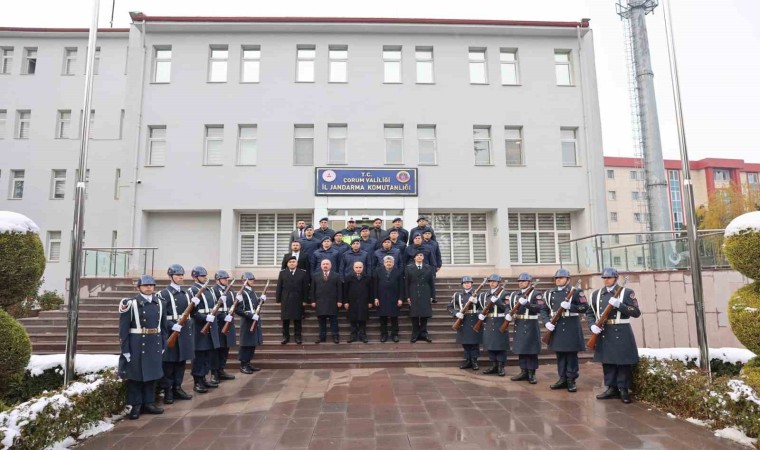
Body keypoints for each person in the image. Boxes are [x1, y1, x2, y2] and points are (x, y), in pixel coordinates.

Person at [586, 268, 641, 404]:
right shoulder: (596, 294)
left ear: (616, 279)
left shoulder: (626, 292)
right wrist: (592, 325)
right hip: (605, 331)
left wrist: (619, 305)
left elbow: (636, 312)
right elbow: (590, 313)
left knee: (623, 361)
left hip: (621, 330)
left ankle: (623, 389)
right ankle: (611, 388)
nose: (606, 280)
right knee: (608, 361)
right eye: (604, 278)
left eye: (609, 278)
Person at [119, 274, 167, 420]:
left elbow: (163, 326)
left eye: (151, 285)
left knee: (152, 374)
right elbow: (123, 329)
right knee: (136, 376)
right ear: (139, 287)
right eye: (145, 285)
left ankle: (149, 402)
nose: (148, 288)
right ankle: (136, 405)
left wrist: (163, 343)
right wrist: (125, 349)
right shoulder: (130, 303)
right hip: (137, 343)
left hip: (154, 342)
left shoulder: (160, 303)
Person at [540, 269, 588, 393]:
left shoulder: (576, 292)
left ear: (568, 279)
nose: (558, 280)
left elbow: (584, 307)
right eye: (557, 278)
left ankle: (571, 379)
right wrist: (547, 322)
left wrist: (571, 307)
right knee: (560, 354)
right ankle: (562, 378)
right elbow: (543, 310)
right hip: (557, 326)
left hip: (571, 326)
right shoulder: (549, 293)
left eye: (561, 278)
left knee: (571, 355)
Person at [157, 264, 193, 404]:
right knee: (169, 363)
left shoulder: (186, 293)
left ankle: (177, 387)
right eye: (177, 275)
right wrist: (172, 325)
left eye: (182, 275)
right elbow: (160, 316)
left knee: (180, 361)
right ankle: (168, 390)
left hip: (183, 331)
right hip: (170, 332)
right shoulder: (163, 294)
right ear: (170, 276)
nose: (180, 277)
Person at [507, 272, 544, 384]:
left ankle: (531, 373)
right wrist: (508, 314)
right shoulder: (515, 295)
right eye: (519, 281)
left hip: (531, 324)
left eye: (523, 281)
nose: (521, 283)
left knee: (531, 349)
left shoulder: (536, 294)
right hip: (519, 323)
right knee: (521, 348)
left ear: (529, 282)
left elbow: (540, 307)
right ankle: (523, 371)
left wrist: (527, 304)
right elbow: (509, 307)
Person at [188, 266, 220, 392]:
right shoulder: (192, 291)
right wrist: (205, 317)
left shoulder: (209, 290)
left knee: (208, 354)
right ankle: (197, 381)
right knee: (199, 355)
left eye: (205, 276)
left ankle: (204, 378)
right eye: (202, 276)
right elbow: (192, 312)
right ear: (195, 277)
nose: (204, 278)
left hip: (210, 325)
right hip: (199, 326)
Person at [447, 276, 483, 371]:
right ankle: (468, 360)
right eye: (465, 283)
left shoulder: (478, 294)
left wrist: (477, 302)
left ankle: (474, 361)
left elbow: (484, 306)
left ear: (471, 284)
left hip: (474, 319)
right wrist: (456, 313)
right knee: (465, 342)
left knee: (474, 342)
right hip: (463, 320)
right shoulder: (457, 295)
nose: (467, 284)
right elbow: (450, 307)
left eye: (468, 282)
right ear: (462, 284)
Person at [478, 274, 509, 376]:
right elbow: (480, 307)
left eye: (494, 281)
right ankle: (494, 365)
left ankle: (500, 366)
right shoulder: (484, 295)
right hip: (488, 322)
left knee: (500, 345)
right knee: (490, 344)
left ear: (498, 283)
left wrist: (498, 301)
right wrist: (480, 314)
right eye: (490, 281)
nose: (492, 283)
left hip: (500, 321)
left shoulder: (505, 294)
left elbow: (507, 308)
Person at [235, 272, 264, 374]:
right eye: (250, 279)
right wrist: (250, 315)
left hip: (254, 319)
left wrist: (261, 300)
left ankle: (248, 363)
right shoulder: (241, 293)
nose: (252, 281)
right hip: (247, 320)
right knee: (246, 343)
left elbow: (254, 305)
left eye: (253, 279)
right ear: (245, 281)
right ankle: (243, 364)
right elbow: (237, 310)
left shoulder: (252, 291)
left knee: (252, 343)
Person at [276, 256, 309, 345]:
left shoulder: (302, 273)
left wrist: (305, 300)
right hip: (286, 299)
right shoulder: (282, 273)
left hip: (298, 299)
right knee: (285, 319)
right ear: (287, 264)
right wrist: (278, 300)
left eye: (293, 262)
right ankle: (285, 337)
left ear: (297, 263)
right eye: (290, 262)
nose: (292, 263)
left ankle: (298, 337)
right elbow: (279, 287)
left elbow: (305, 288)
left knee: (297, 319)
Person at [210, 270, 237, 381]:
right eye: (224, 278)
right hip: (218, 323)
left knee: (226, 347)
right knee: (217, 349)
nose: (226, 280)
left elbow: (234, 305)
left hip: (228, 322)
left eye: (227, 278)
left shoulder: (230, 290)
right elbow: (213, 308)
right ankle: (214, 372)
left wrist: (238, 300)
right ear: (218, 280)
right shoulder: (213, 290)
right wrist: (222, 316)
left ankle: (221, 369)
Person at [311, 259, 343, 344]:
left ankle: (335, 336)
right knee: (321, 321)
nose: (325, 265)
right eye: (324, 264)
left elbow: (339, 289)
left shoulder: (336, 275)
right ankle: (322, 337)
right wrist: (313, 301)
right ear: (321, 266)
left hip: (333, 302)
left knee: (334, 321)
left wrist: (340, 300)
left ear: (330, 265)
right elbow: (312, 289)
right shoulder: (315, 275)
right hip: (320, 302)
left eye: (327, 264)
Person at [405, 250, 435, 343]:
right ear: (414, 258)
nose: (419, 257)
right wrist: (407, 296)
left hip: (425, 292)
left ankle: (424, 333)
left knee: (424, 314)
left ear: (423, 257)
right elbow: (406, 283)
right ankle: (415, 334)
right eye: (417, 255)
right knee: (414, 315)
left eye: (421, 255)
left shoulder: (428, 267)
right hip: (413, 292)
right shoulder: (409, 268)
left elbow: (431, 283)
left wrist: (432, 296)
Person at [374, 255, 405, 343]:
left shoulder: (398, 272)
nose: (388, 263)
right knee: (383, 317)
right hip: (382, 298)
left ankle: (395, 334)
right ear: (384, 263)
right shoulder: (378, 271)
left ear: (393, 263)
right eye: (387, 262)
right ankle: (384, 334)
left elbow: (401, 287)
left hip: (394, 298)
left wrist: (400, 298)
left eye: (390, 262)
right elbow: (375, 286)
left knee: (394, 317)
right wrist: (375, 298)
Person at [343, 261, 373, 343]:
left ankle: (363, 336)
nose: (358, 269)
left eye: (360, 267)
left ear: (363, 268)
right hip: (352, 302)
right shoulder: (348, 278)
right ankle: (353, 336)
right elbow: (345, 291)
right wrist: (346, 302)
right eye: (356, 267)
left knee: (363, 319)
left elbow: (371, 290)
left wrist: (370, 301)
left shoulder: (367, 278)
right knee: (353, 320)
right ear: (353, 268)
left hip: (364, 301)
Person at [422, 230, 442, 303]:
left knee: (432, 281)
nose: (427, 235)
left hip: (432, 265)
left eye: (429, 233)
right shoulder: (420, 243)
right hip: (423, 265)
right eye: (426, 233)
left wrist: (439, 265)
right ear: (423, 235)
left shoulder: (434, 243)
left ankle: (433, 296)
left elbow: (438, 255)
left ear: (431, 235)